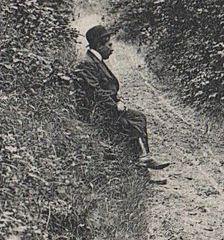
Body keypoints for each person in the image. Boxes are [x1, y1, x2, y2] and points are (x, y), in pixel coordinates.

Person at [72, 25, 169, 173]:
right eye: (109, 45)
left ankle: (143, 159)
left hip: (105, 107)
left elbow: (105, 89)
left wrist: (117, 102)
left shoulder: (94, 60)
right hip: (96, 111)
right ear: (99, 45)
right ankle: (140, 163)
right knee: (129, 122)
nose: (112, 49)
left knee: (138, 117)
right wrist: (114, 105)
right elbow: (96, 91)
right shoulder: (87, 63)